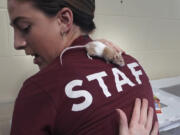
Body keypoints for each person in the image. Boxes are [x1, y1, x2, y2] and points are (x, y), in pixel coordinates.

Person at [8, 0, 159, 134]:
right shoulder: (133, 64)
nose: (17, 43)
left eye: (25, 27)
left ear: (64, 20)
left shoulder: (38, 89)